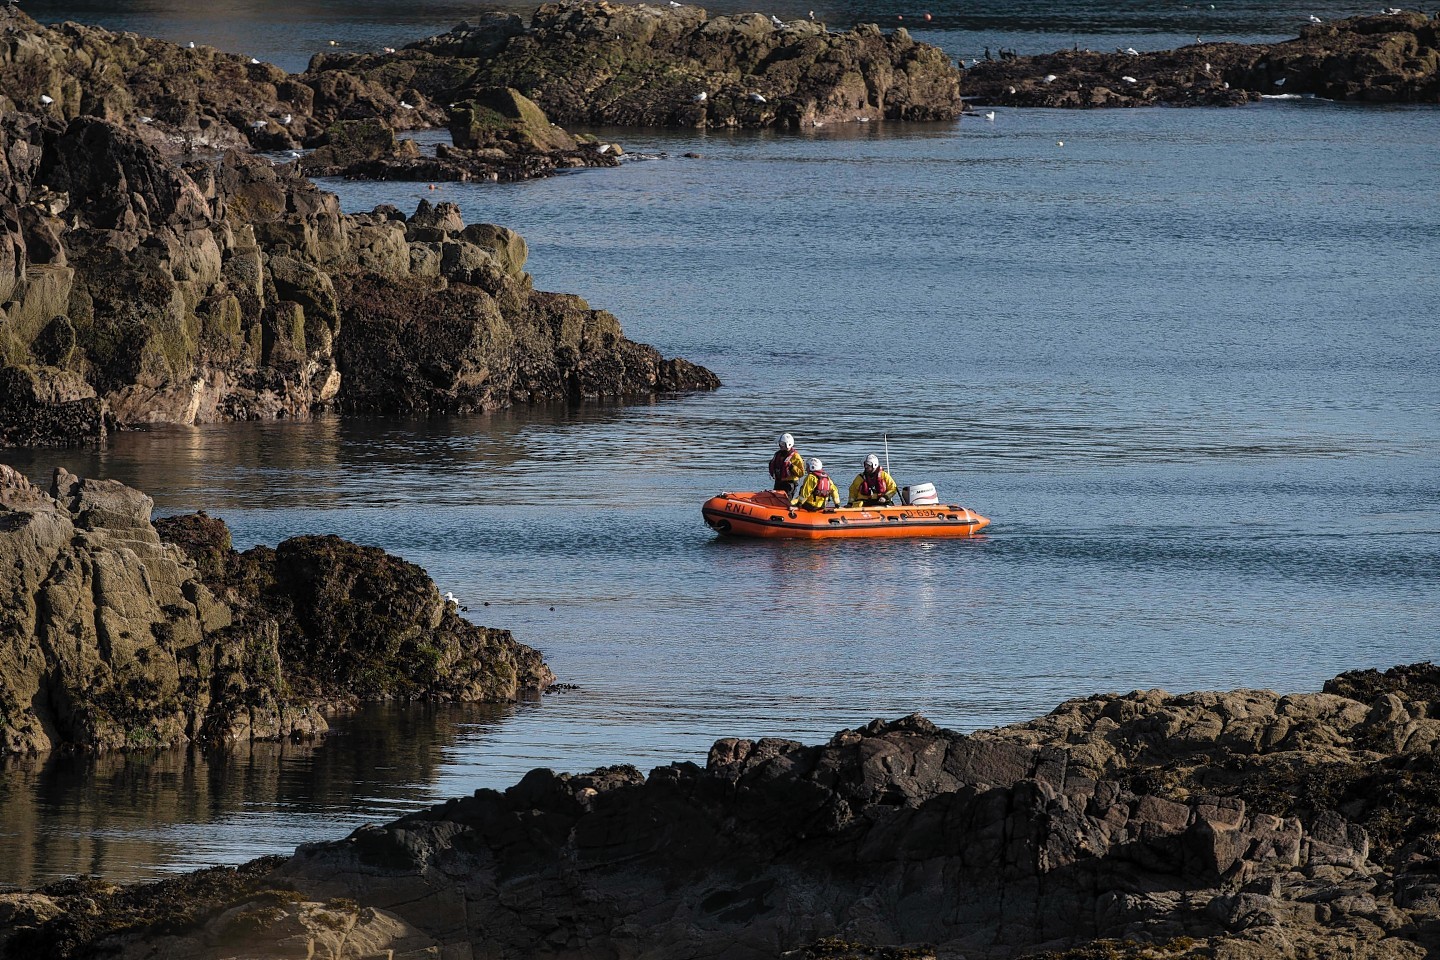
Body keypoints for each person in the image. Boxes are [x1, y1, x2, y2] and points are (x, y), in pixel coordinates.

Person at [767, 433, 804, 497]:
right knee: (776, 498)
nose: (780, 446)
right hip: (778, 481)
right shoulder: (777, 454)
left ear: (788, 444)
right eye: (780, 444)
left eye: (782, 444)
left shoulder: (796, 456)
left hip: (789, 483)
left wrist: (792, 467)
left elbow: (801, 473)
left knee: (786, 500)